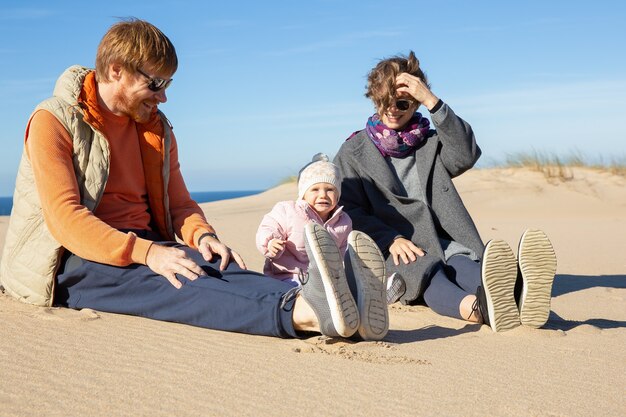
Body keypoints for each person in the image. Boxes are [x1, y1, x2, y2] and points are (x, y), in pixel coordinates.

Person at [0, 18, 386, 341]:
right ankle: (305, 313)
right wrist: (149, 254)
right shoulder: (53, 120)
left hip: (146, 243)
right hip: (71, 259)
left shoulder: (156, 129)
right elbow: (65, 219)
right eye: (155, 84)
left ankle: (331, 300)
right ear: (116, 70)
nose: (163, 97)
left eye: (167, 85)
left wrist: (203, 237)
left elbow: (181, 204)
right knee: (180, 285)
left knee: (219, 268)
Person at [334, 51, 557, 332]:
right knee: (428, 275)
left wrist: (433, 102)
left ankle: (519, 294)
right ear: (374, 99)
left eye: (402, 102)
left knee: (469, 268)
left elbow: (466, 154)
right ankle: (478, 310)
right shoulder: (353, 152)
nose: (392, 109)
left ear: (415, 102)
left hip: (447, 238)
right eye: (384, 101)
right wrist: (390, 238)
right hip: (398, 245)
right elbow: (347, 208)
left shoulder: (431, 142)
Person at [256, 153, 389, 339]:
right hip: (287, 277)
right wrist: (270, 242)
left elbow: (341, 255)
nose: (323, 195)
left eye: (330, 189)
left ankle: (364, 305)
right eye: (315, 189)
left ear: (338, 194)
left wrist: (342, 273)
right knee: (305, 297)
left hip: (330, 280)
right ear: (303, 192)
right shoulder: (287, 210)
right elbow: (268, 226)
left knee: (341, 288)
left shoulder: (343, 222)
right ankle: (342, 315)